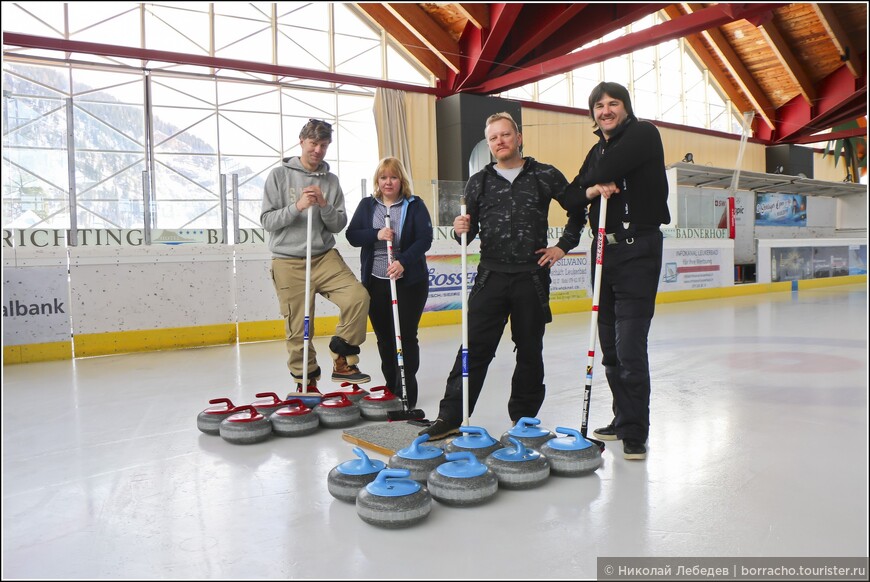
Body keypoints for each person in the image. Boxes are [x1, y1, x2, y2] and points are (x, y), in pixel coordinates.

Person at [420, 112, 585, 440]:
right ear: (489, 144)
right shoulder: (478, 182)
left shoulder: (545, 175)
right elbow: (467, 234)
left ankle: (524, 420)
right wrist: (460, 231)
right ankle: (451, 416)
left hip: (532, 277)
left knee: (529, 350)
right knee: (473, 348)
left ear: (519, 137)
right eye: (493, 137)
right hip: (490, 276)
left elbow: (578, 209)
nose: (500, 141)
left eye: (505, 135)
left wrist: (563, 246)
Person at [570, 82, 670, 461]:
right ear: (592, 113)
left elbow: (607, 169)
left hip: (638, 251)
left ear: (626, 108)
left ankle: (635, 431)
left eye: (613, 103)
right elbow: (570, 193)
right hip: (602, 253)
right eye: (599, 105)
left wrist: (592, 179)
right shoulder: (597, 149)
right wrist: (593, 188)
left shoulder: (644, 133)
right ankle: (621, 417)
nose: (606, 110)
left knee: (629, 346)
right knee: (609, 348)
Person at [260, 118, 371, 394]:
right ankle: (306, 381)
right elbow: (267, 221)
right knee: (299, 328)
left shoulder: (331, 181)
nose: (318, 150)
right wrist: (298, 206)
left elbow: (337, 225)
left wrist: (323, 205)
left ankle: (342, 355)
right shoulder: (279, 176)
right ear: (302, 142)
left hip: (323, 256)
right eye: (313, 144)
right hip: (288, 260)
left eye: (324, 145)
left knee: (358, 297)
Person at [346, 157, 433, 409]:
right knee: (385, 338)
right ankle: (391, 387)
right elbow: (352, 235)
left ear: (401, 180)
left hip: (409, 282)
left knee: (405, 336)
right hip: (376, 282)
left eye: (393, 177)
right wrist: (376, 234)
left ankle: (407, 390)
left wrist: (403, 261)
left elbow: (424, 239)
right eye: (383, 177)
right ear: (377, 181)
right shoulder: (367, 206)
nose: (388, 182)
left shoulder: (415, 205)